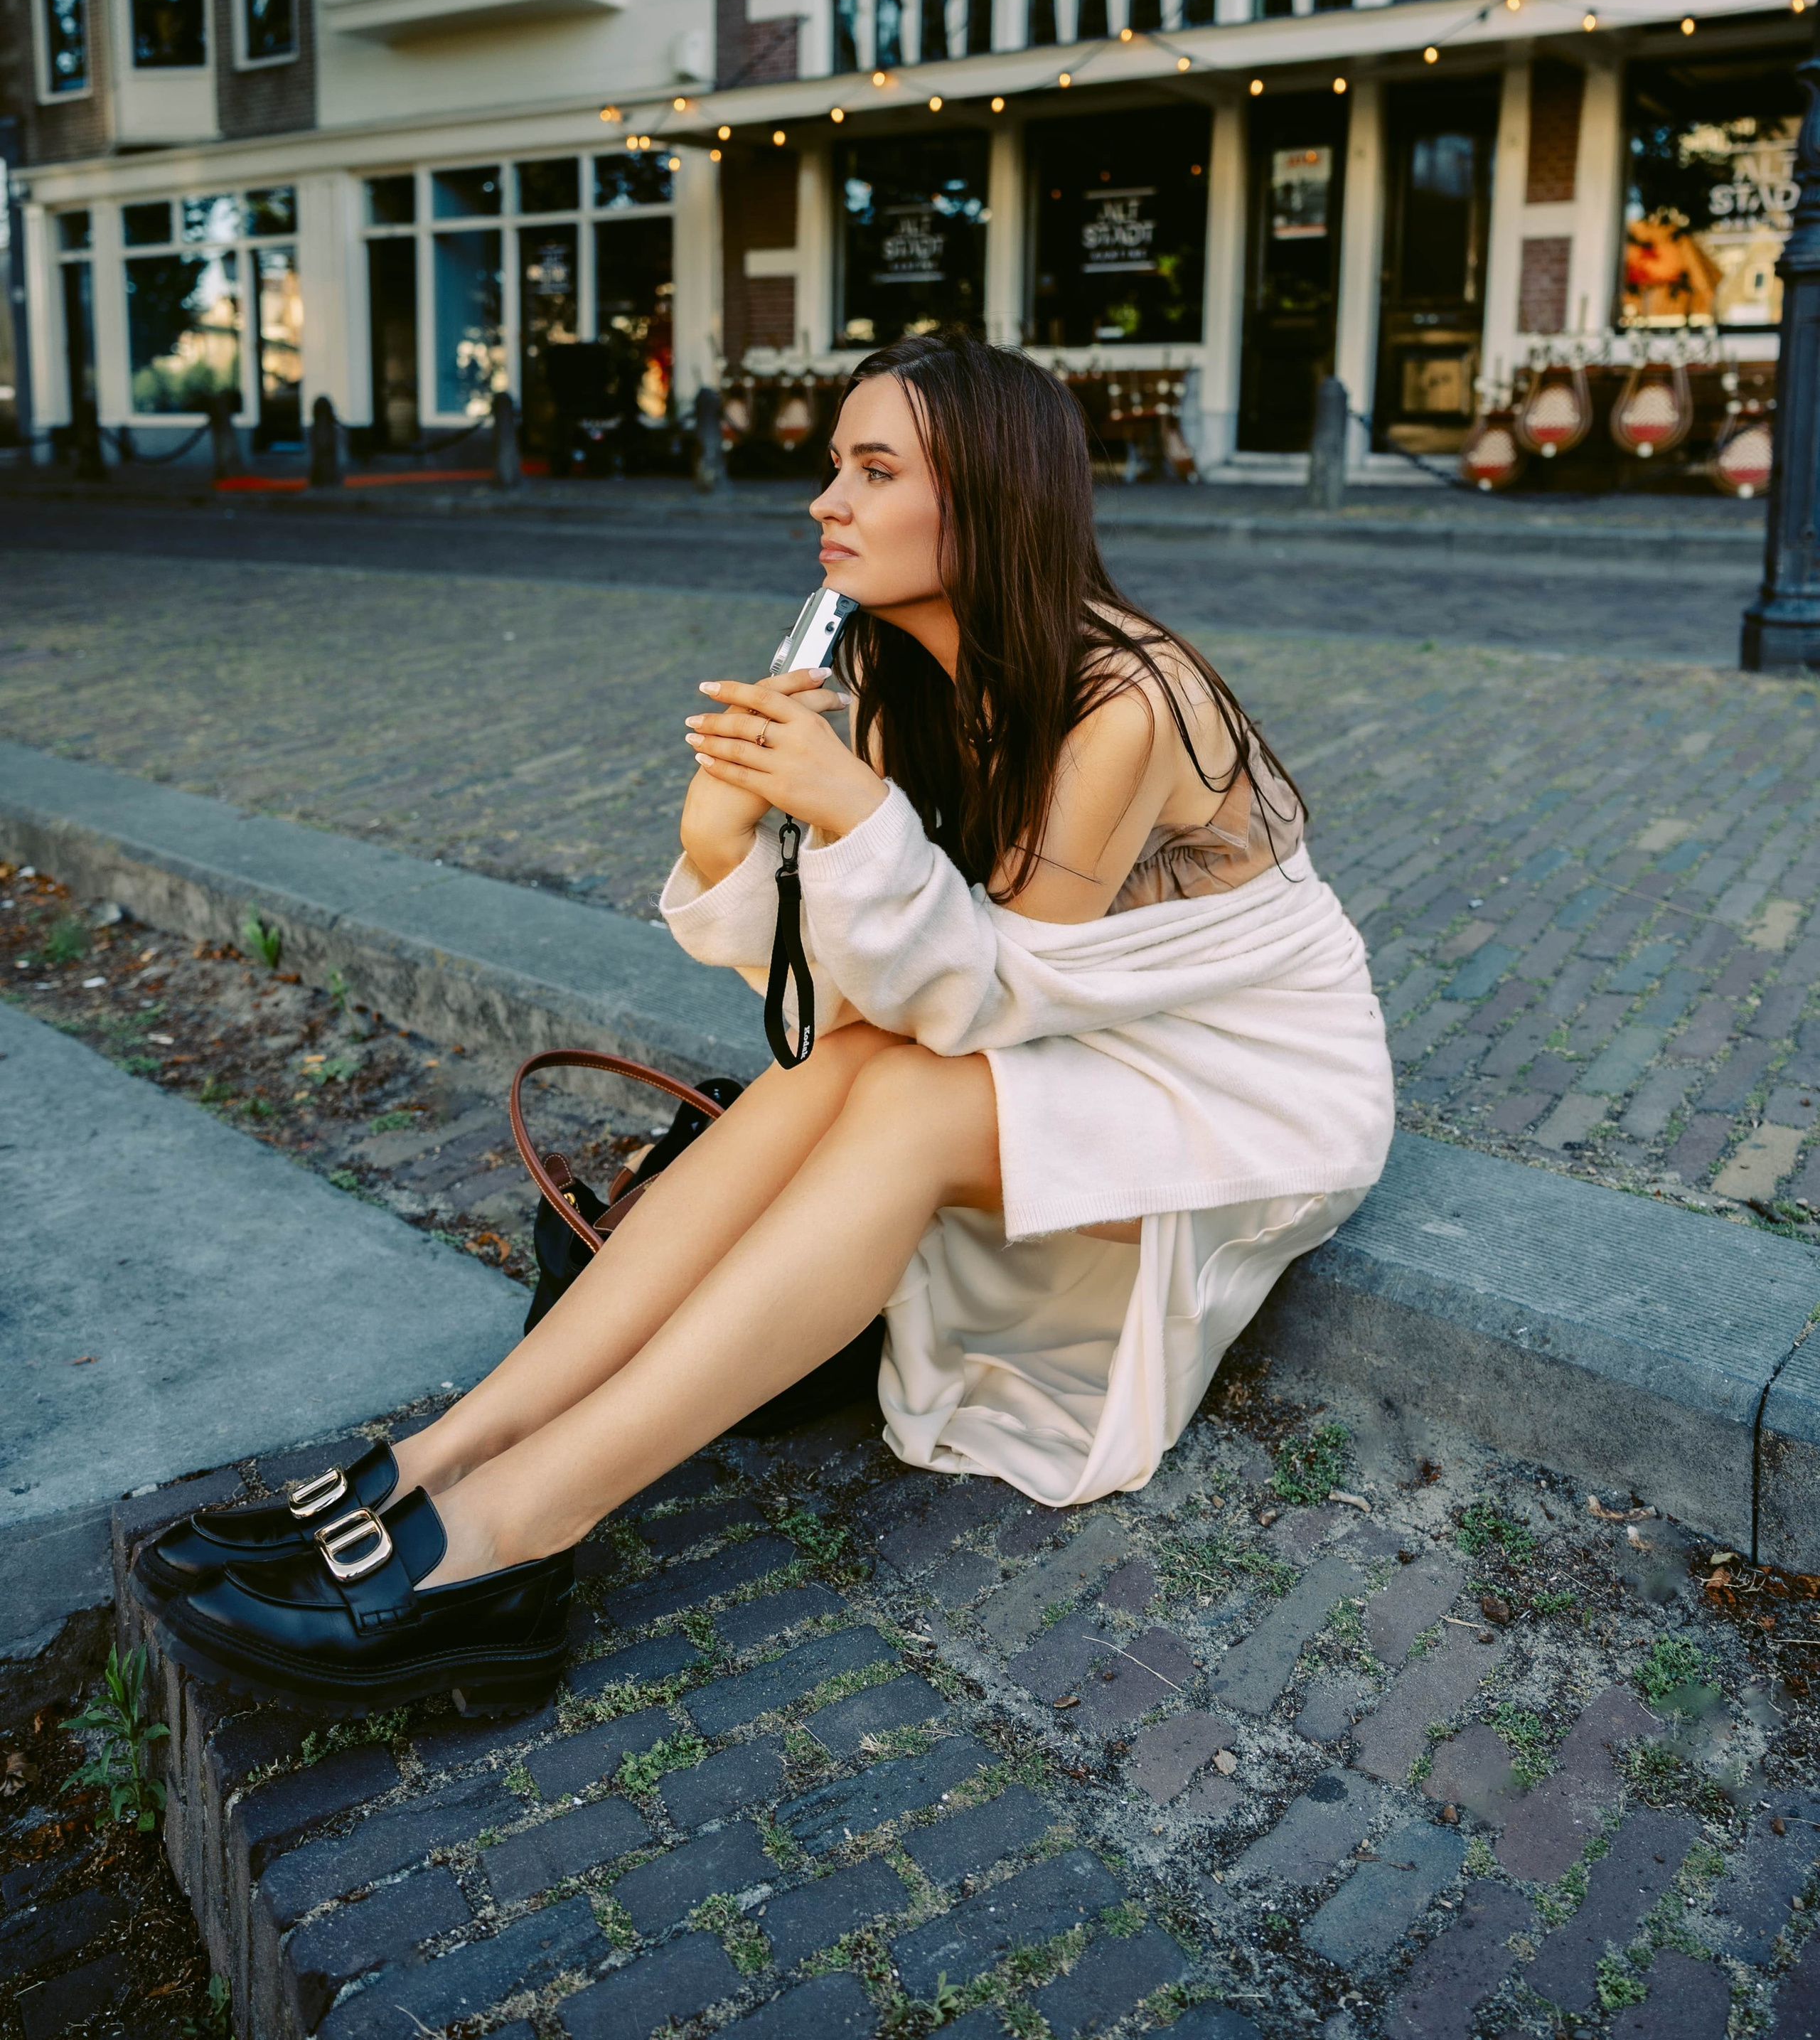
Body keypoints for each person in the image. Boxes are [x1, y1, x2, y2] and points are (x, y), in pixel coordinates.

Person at [137, 333, 1394, 1719]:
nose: (824, 502)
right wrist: (728, 841)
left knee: (900, 1100)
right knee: (837, 1067)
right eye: (830, 467)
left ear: (985, 500)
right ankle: (448, 1456)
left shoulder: (1123, 700)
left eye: (872, 468)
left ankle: (513, 1534)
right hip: (1068, 1043)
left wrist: (854, 815)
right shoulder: (907, 676)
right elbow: (868, 1003)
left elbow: (983, 1002)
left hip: (1248, 1094)